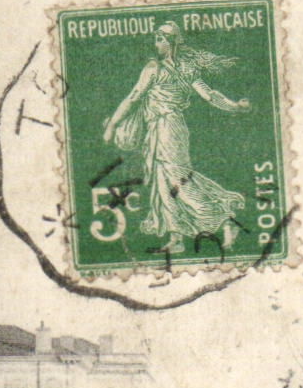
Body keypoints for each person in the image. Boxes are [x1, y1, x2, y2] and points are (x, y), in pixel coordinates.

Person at [102, 22, 252, 254]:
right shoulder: (180, 69)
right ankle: (177, 238)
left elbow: (133, 98)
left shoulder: (158, 69)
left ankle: (225, 220)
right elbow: (210, 96)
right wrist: (234, 107)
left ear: (169, 41)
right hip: (162, 129)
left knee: (178, 181)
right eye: (155, 39)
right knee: (163, 182)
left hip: (168, 128)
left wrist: (112, 125)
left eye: (159, 39)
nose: (156, 44)